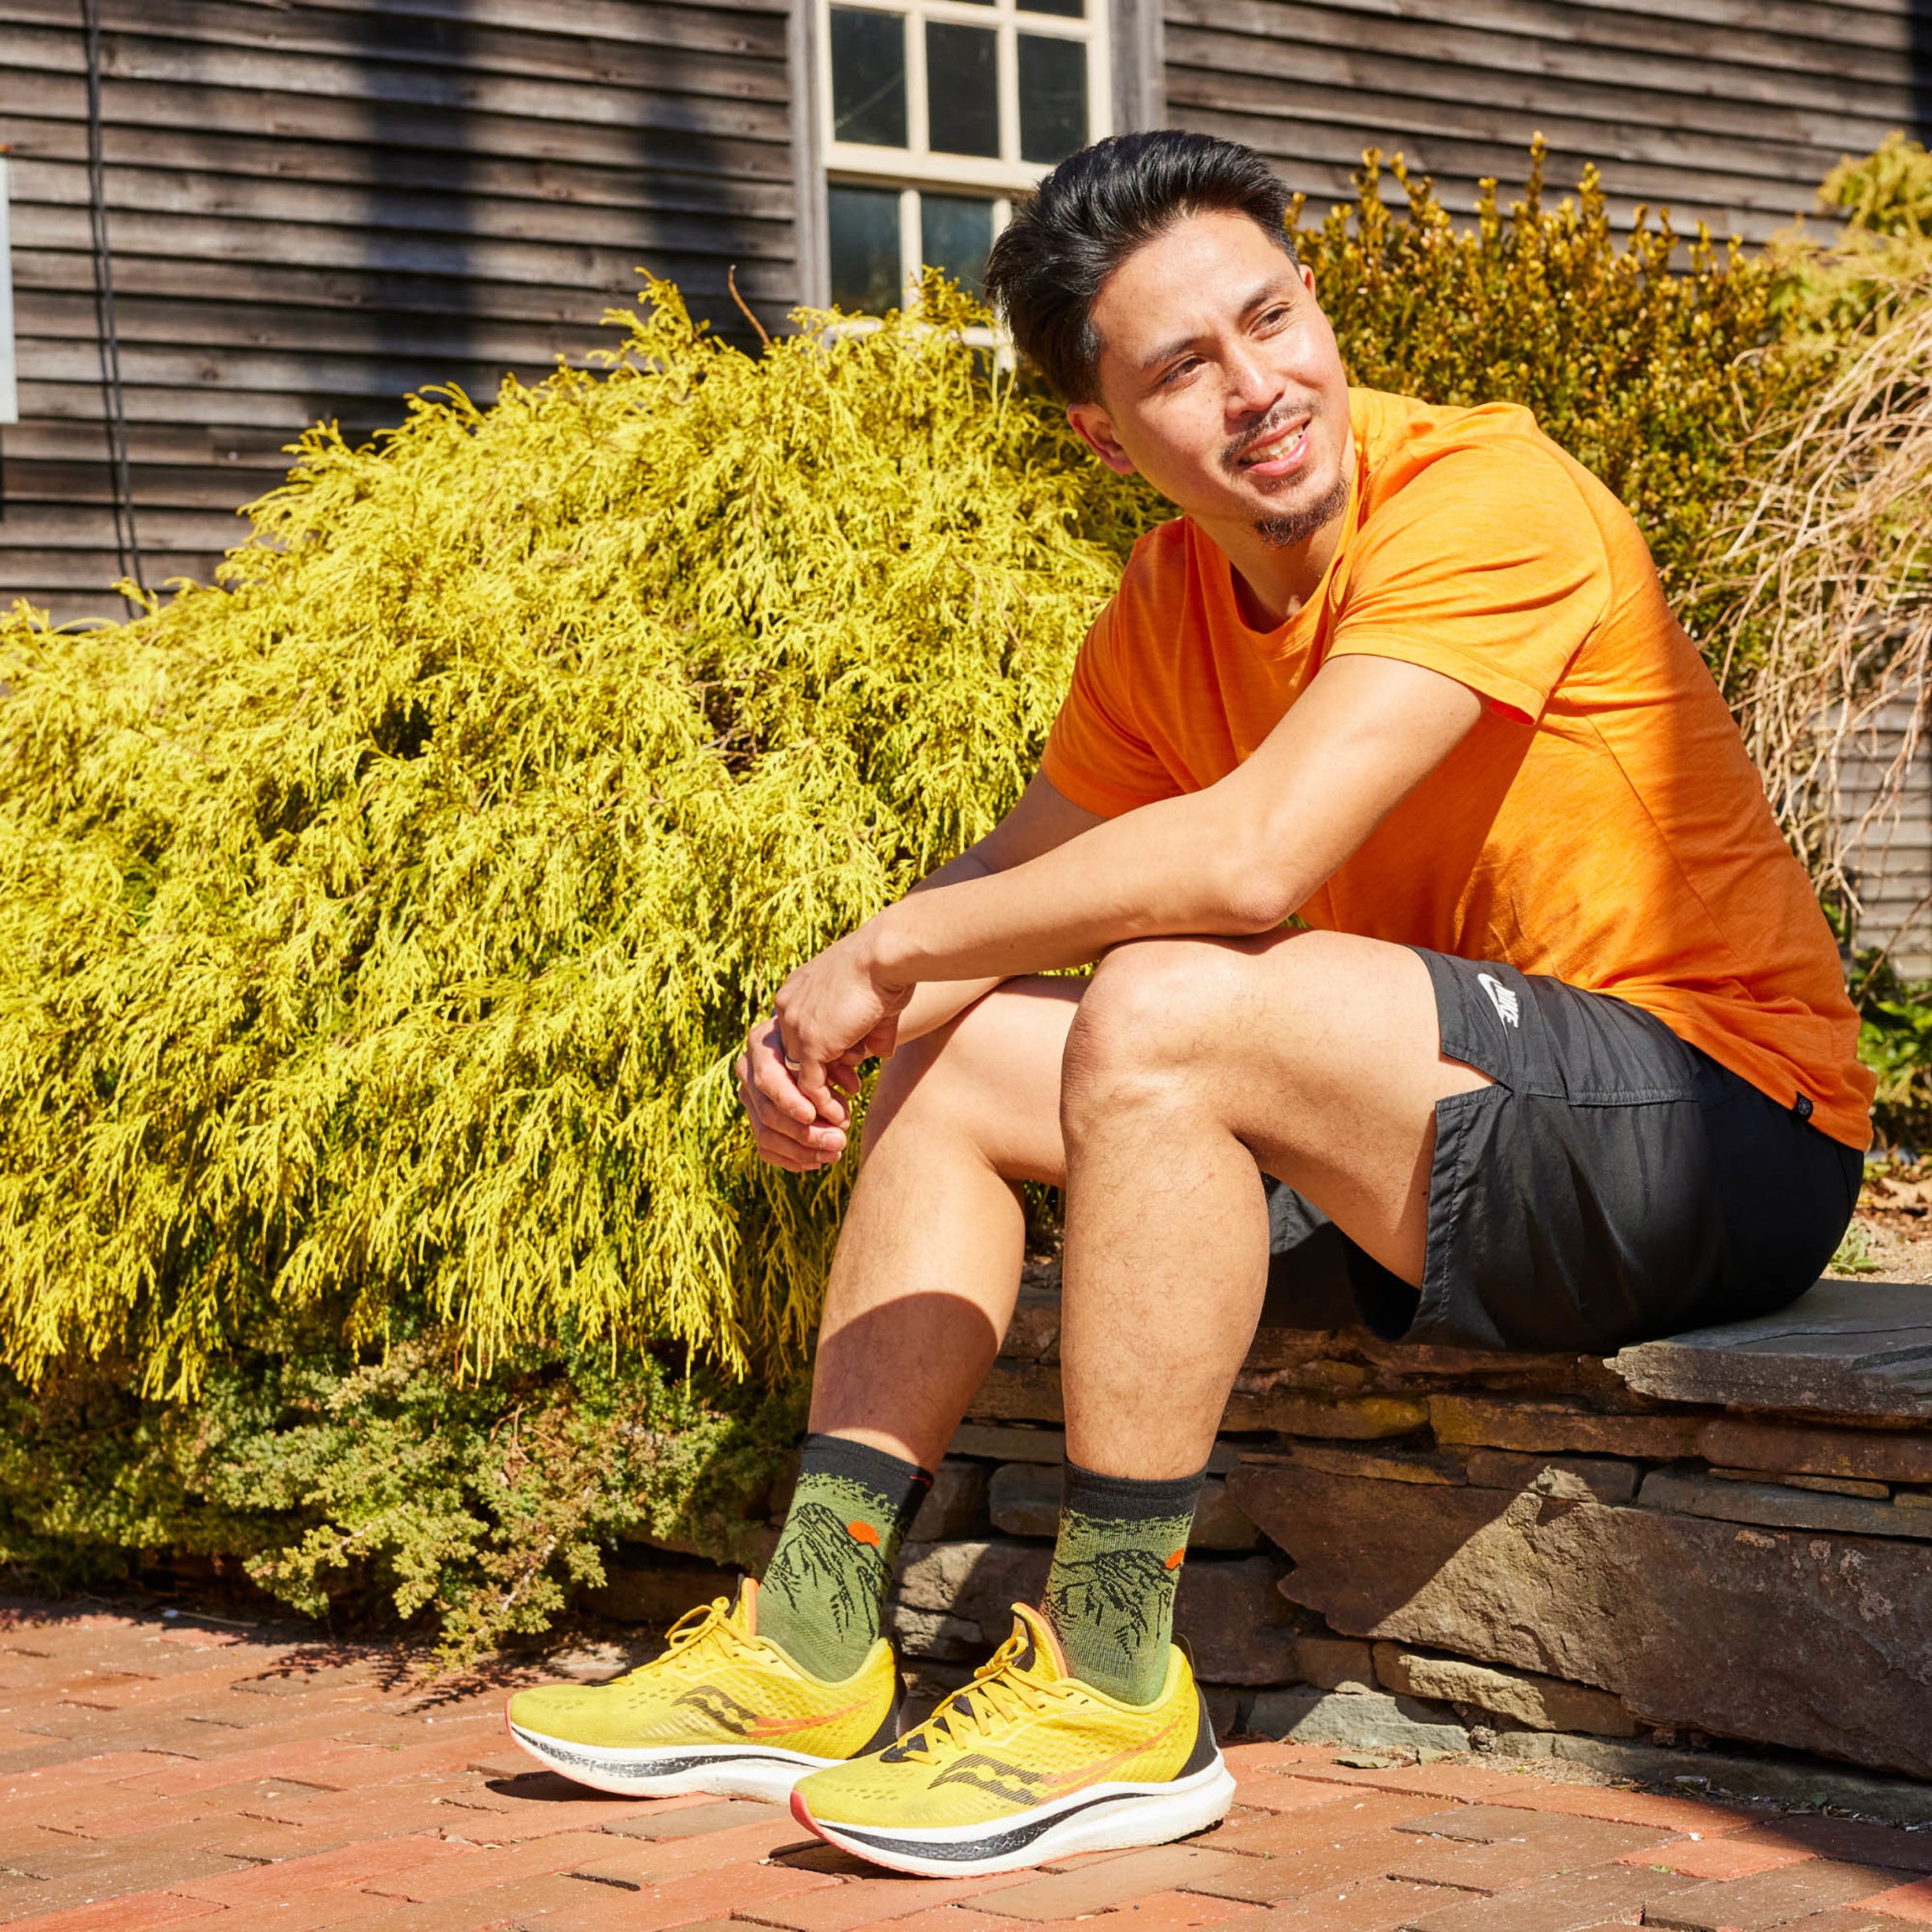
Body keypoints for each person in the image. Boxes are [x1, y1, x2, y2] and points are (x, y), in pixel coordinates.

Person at [505, 130, 1871, 1877]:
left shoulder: (1490, 500)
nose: (1261, 387)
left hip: (1719, 1130)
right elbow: (1009, 882)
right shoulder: (1167, 609)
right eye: (1182, 368)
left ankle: (1113, 1687)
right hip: (1442, 1128)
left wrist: (894, 948)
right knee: (955, 1046)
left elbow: (1250, 859)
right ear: (1105, 433)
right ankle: (814, 1633)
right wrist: (832, 1021)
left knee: (1157, 999)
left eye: (1273, 319)